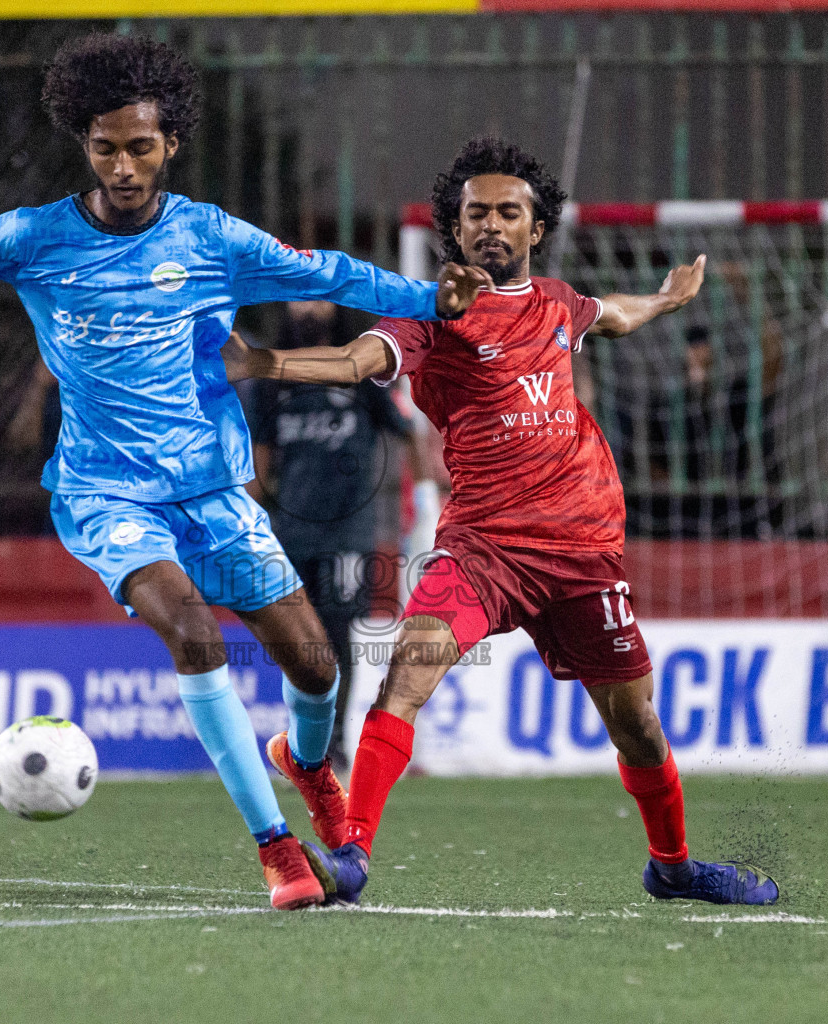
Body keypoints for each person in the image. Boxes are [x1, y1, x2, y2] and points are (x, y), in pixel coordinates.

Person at [0, 34, 489, 911]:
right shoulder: (31, 239)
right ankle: (277, 848)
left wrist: (423, 297)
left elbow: (321, 271)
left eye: (141, 147)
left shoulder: (210, 237)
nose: (125, 166)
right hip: (106, 495)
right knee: (193, 631)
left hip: (211, 488)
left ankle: (306, 763)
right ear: (83, 145)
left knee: (317, 667)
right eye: (107, 148)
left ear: (171, 143)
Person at [223, 137, 779, 907]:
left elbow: (609, 317)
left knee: (638, 726)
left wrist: (664, 300)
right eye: (475, 211)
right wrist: (269, 364)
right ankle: (349, 858)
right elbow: (357, 361)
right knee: (406, 676)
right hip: (483, 548)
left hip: (584, 547)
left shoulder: (557, 303)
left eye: (507, 212)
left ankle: (674, 866)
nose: (490, 223)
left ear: (535, 226)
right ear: (454, 226)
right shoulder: (428, 316)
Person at [246, 300, 415, 766]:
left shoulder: (359, 370)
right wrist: (249, 519)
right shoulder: (271, 381)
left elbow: (404, 430)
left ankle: (336, 742)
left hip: (348, 531)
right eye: (299, 298)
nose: (309, 309)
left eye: (318, 298)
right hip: (291, 531)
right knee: (299, 642)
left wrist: (421, 495)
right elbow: (261, 462)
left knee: (339, 636)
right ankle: (304, 740)